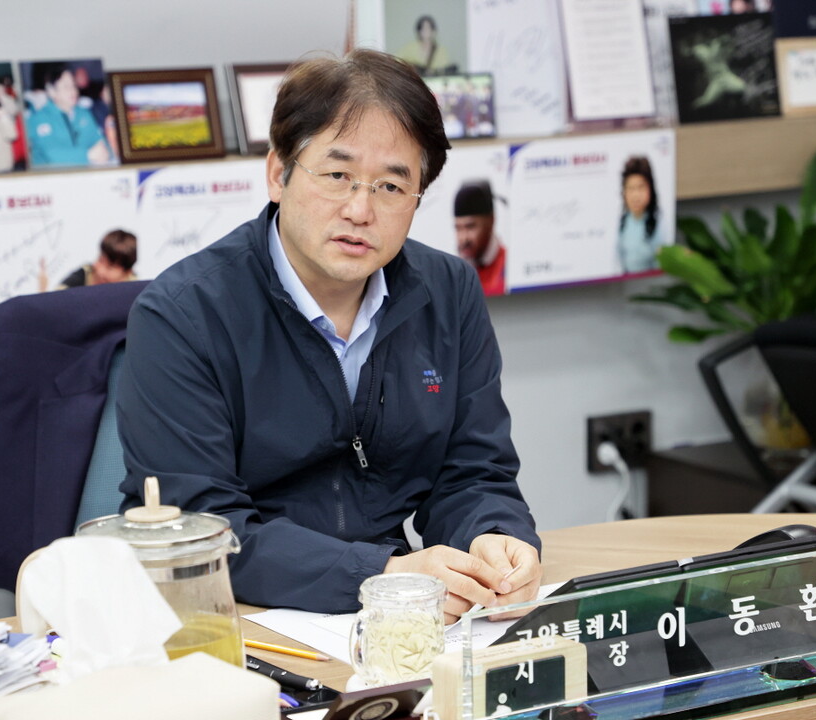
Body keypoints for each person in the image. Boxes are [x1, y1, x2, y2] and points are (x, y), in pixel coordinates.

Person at [117, 49, 540, 621]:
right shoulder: (182, 315)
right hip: (234, 619)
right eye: (338, 176)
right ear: (279, 173)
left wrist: (494, 537)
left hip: (393, 614)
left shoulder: (449, 292)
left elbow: (473, 472)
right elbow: (203, 532)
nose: (361, 210)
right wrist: (380, 576)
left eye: (392, 186)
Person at [25, 65, 110, 168]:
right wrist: (87, 155)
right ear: (52, 92)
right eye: (66, 86)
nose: (73, 91)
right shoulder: (38, 119)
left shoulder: (83, 114)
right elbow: (51, 155)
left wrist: (105, 151)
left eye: (73, 85)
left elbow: (99, 141)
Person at [454, 180, 506, 296]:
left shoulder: (507, 266)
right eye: (458, 228)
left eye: (470, 227)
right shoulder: (455, 272)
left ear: (491, 221)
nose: (464, 238)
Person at [49, 229, 138, 289]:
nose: (100, 271)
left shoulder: (136, 293)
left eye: (110, 267)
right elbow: (55, 299)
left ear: (127, 272)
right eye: (100, 260)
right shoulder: (83, 274)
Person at [616, 156, 662, 273]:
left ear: (650, 189)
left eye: (641, 188)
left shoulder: (659, 223)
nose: (636, 195)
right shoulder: (622, 223)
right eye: (631, 189)